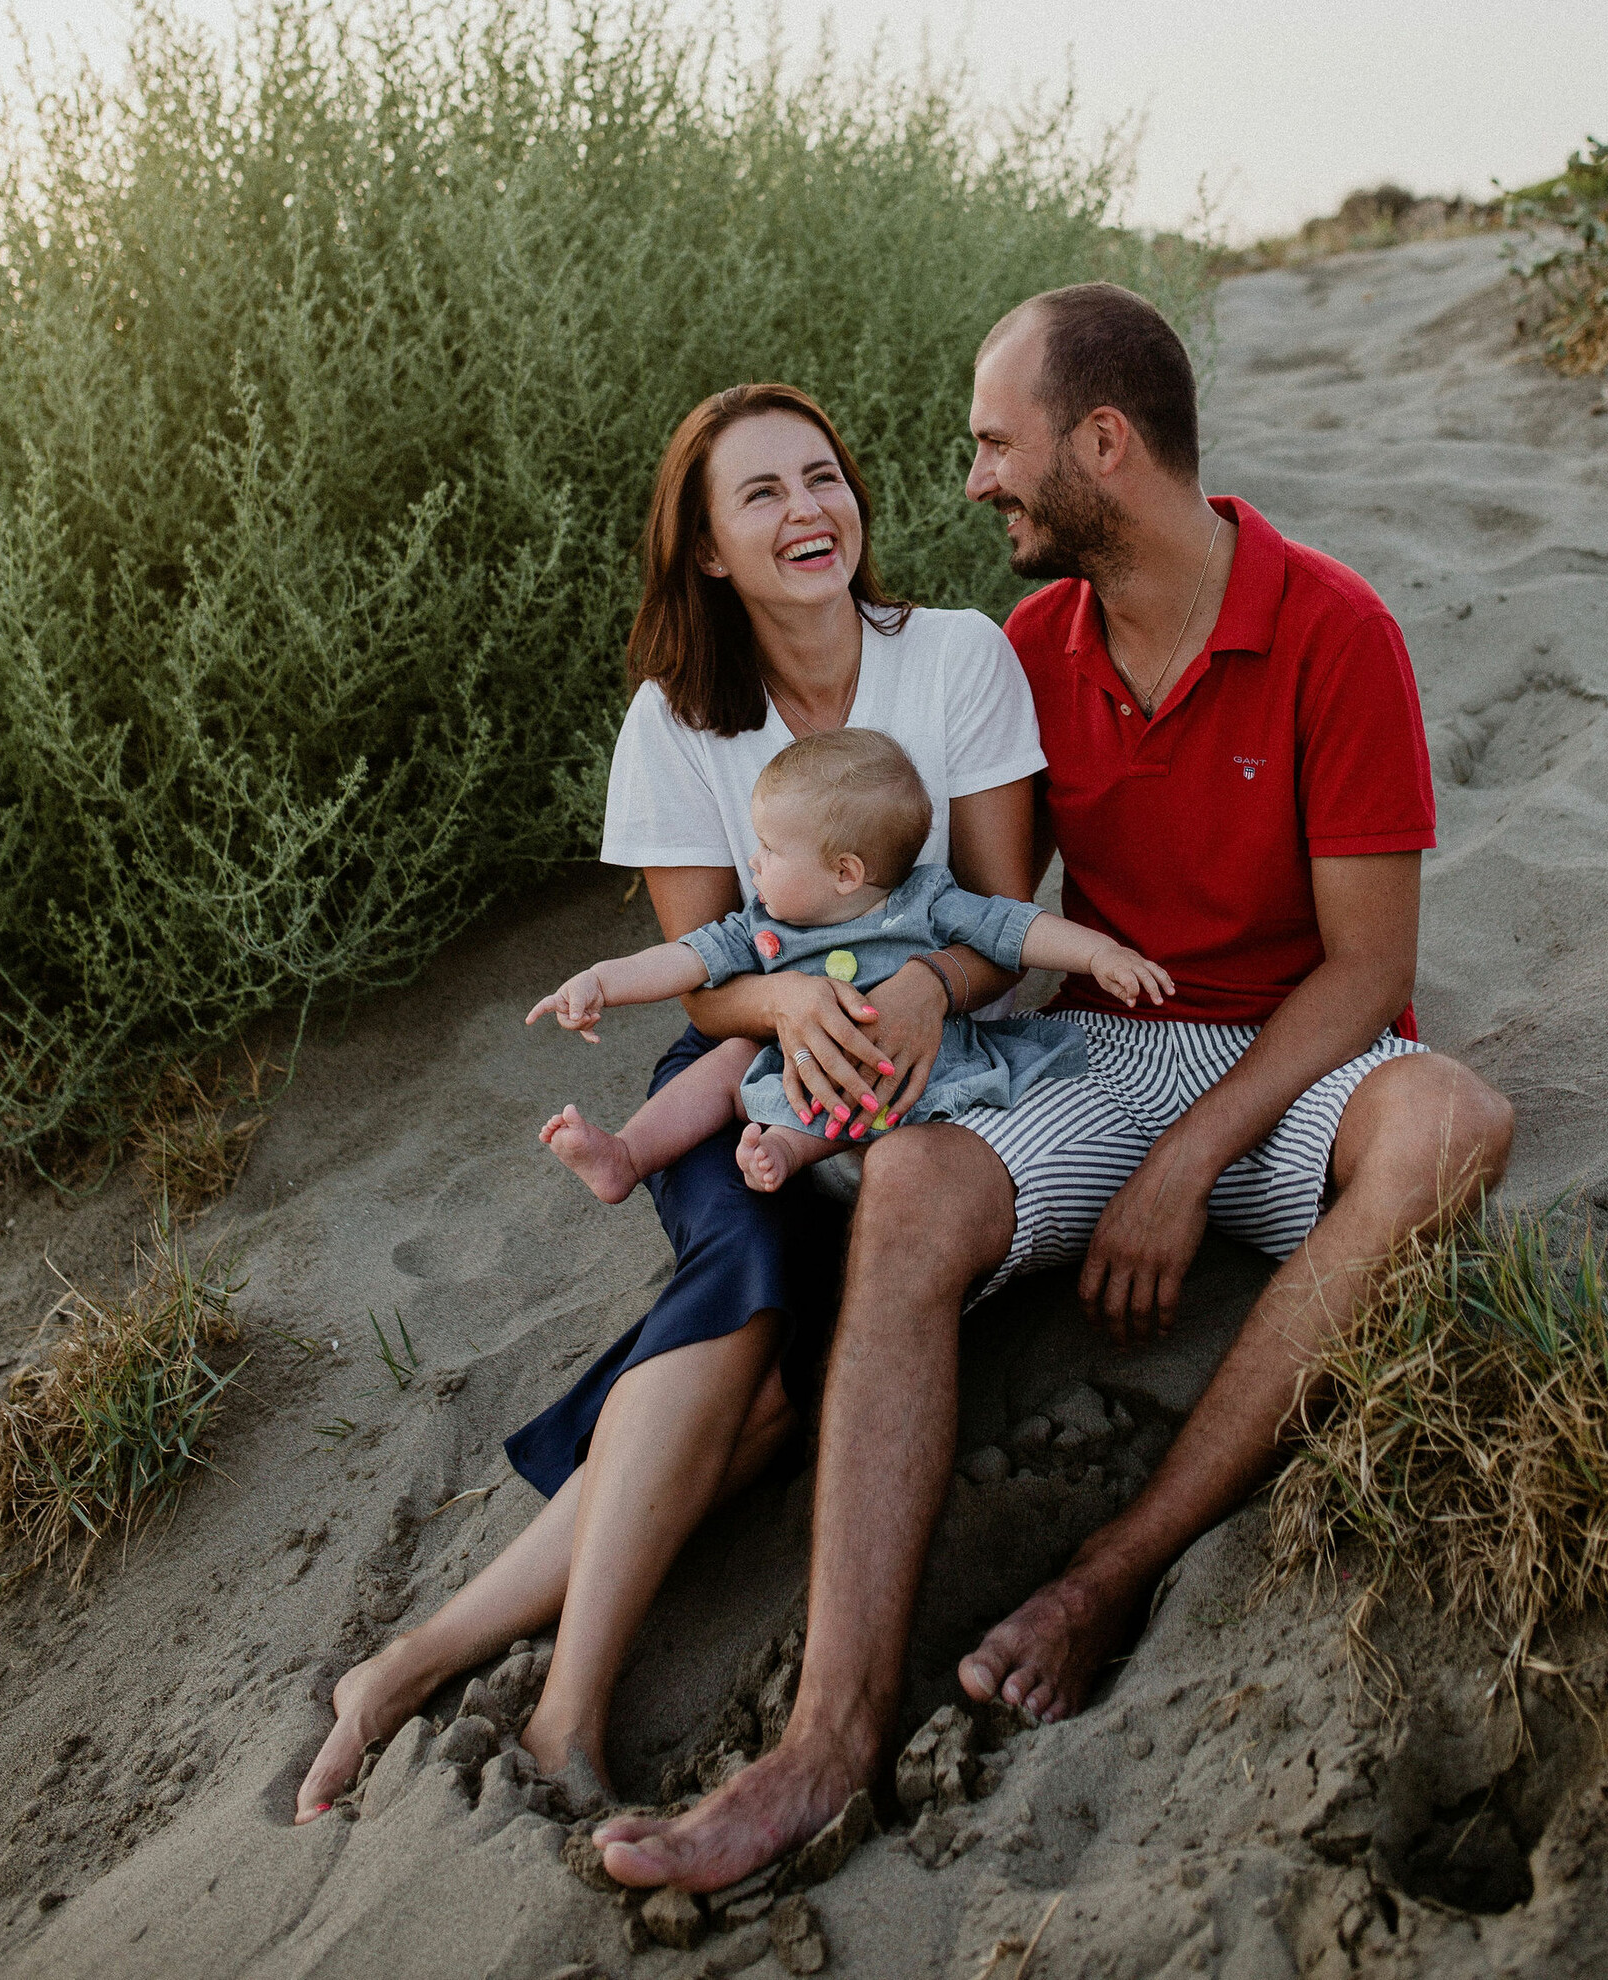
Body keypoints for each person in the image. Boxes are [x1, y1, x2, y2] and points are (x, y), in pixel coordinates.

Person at [591, 284, 1515, 1895]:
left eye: (996, 446)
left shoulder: (1332, 631)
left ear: (1103, 444)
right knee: (915, 1187)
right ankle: (826, 1741)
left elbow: (1366, 971)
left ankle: (1113, 1570)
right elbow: (969, 923)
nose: (970, 485)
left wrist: (1189, 1162)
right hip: (1099, 1047)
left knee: (1453, 1122)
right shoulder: (1029, 650)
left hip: (1296, 1057)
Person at [295, 381, 1049, 1821]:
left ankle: (405, 1665)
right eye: (759, 495)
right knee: (753, 1281)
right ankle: (567, 1713)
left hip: (937, 1060)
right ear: (706, 549)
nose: (806, 511)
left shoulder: (956, 659)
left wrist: (915, 994)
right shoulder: (678, 723)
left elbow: (1007, 915)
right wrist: (802, 1006)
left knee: (767, 1398)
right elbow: (706, 979)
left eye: (821, 477)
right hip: (743, 1069)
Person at [529, 727, 1172, 1199]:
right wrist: (601, 983)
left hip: (916, 1071)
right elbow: (680, 961)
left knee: (857, 1090)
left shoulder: (927, 901)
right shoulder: (763, 926)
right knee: (724, 1061)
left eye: (771, 849)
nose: (752, 863)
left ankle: (785, 1147)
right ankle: (626, 1154)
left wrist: (1098, 953)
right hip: (800, 1065)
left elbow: (1015, 930)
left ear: (846, 873)